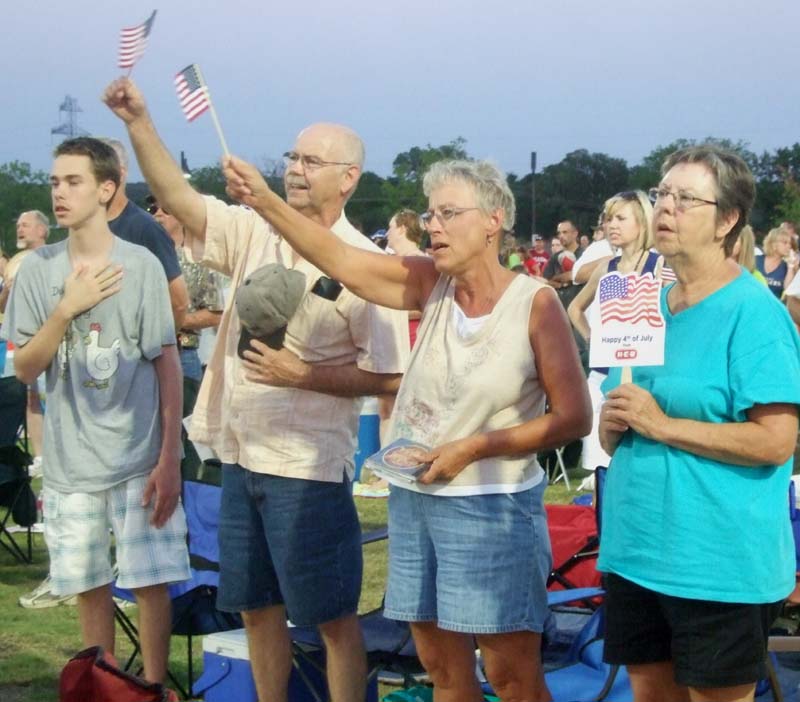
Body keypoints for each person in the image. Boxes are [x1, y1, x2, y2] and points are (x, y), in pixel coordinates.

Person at [223, 155, 592, 702]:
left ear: (493, 220)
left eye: (448, 213)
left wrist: (475, 447)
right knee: (440, 665)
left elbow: (573, 418)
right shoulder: (429, 283)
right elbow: (339, 259)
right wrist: (264, 201)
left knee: (511, 675)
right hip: (417, 498)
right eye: (429, 213)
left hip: (493, 507)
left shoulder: (534, 304)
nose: (433, 225)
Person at [103, 76, 409, 702]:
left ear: (347, 178)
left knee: (330, 618)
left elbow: (393, 374)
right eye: (293, 158)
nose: (295, 169)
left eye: (311, 161)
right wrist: (139, 123)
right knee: (254, 609)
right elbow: (181, 202)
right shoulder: (256, 230)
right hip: (240, 455)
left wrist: (307, 376)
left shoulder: (358, 260)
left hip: (306, 468)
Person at [599, 145, 800, 702]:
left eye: (686, 199)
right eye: (662, 193)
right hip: (637, 548)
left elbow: (777, 440)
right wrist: (612, 424)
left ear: (727, 220)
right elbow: (617, 426)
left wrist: (663, 426)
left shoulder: (754, 314)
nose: (666, 208)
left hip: (717, 561)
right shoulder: (640, 306)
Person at [0, 137, 189, 683]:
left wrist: (170, 457)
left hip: (139, 457)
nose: (60, 192)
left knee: (151, 584)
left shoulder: (142, 265)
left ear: (106, 189)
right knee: (89, 585)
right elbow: (25, 369)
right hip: (69, 463)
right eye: (55, 181)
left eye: (73, 181)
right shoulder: (37, 270)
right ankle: (105, 689)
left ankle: (151, 688)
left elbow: (167, 363)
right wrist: (66, 308)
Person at [98, 138, 189, 330]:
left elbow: (178, 303)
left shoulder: (145, 228)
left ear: (121, 174)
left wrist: (155, 349)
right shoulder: (82, 229)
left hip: (136, 354)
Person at [146, 194, 224, 410]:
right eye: (153, 209)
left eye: (166, 209)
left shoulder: (198, 258)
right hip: (140, 353)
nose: (158, 214)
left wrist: (175, 320)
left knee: (184, 431)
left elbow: (216, 312)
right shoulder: (139, 256)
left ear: (181, 216)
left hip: (184, 354)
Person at [755, 227, 798, 299]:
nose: (789, 246)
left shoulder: (786, 267)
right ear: (773, 243)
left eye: (790, 244)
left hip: (772, 307)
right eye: (785, 243)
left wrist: (791, 267)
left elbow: (787, 290)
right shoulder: (756, 259)